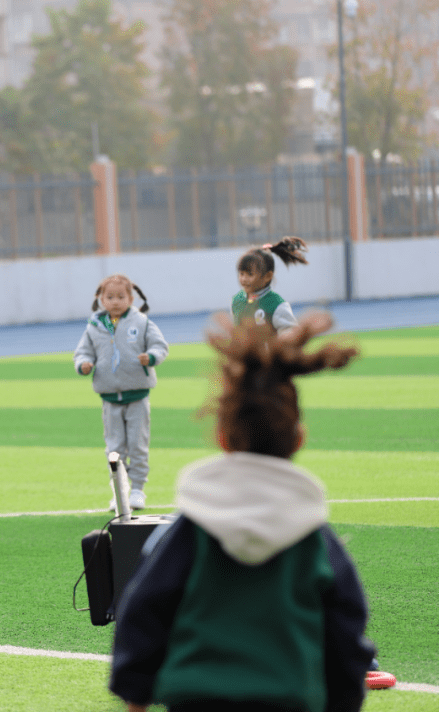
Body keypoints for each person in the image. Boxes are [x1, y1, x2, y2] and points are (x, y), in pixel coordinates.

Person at [109, 312, 374, 712]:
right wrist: (343, 700)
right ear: (298, 437)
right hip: (289, 700)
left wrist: (136, 695)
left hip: (197, 700)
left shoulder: (189, 530)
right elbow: (345, 629)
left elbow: (144, 608)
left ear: (221, 435)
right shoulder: (312, 538)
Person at [73, 275, 168, 511]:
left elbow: (160, 346)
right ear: (101, 299)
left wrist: (152, 357)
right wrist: (84, 364)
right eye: (110, 297)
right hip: (109, 399)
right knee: (114, 448)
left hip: (137, 396)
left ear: (131, 298)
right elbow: (82, 352)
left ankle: (137, 489)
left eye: (121, 297)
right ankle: (119, 491)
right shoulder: (94, 327)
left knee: (137, 444)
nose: (115, 302)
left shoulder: (142, 322)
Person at [232, 235, 308, 332]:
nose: (243, 279)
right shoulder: (237, 300)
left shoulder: (277, 305)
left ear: (267, 276)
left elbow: (292, 337)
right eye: (241, 274)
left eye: (250, 274)